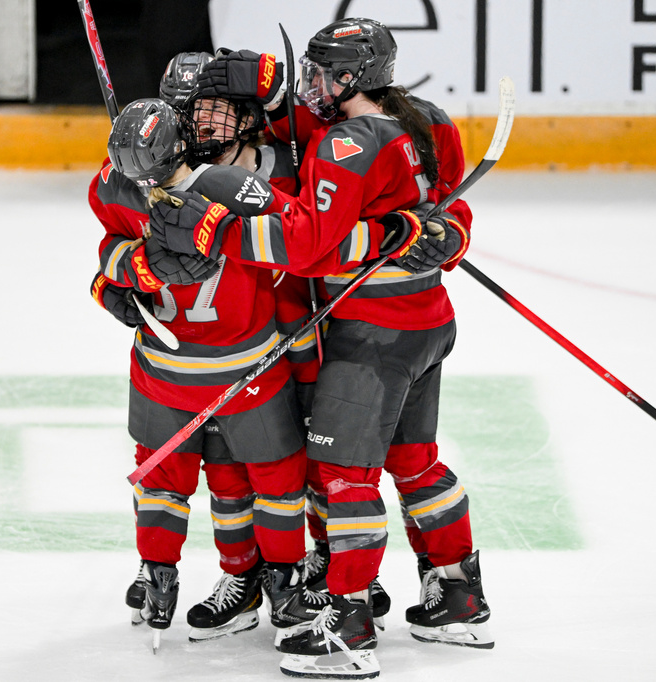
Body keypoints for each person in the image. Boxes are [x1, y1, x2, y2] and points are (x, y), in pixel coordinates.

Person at [148, 18, 493, 678]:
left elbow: (307, 249)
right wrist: (437, 238)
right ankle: (456, 594)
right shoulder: (430, 120)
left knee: (344, 477)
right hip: (428, 321)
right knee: (415, 462)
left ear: (354, 79)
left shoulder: (344, 144)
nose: (311, 83)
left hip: (371, 335)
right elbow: (451, 219)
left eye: (325, 73)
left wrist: (215, 235)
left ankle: (349, 627)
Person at [93, 96, 344, 649]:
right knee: (271, 484)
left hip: (166, 371)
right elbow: (300, 242)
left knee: (170, 481)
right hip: (245, 373)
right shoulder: (230, 186)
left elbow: (107, 251)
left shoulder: (111, 184)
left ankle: (161, 574)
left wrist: (127, 270)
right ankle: (282, 584)